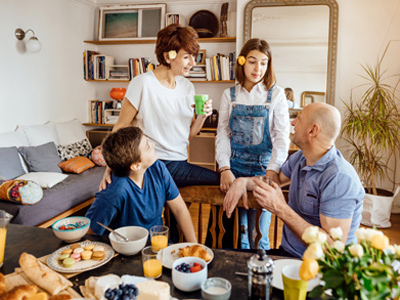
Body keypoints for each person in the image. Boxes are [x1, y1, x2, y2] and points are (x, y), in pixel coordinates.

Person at [223, 103, 365, 257]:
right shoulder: (300, 158)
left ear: (312, 130)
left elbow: (332, 249)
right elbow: (273, 182)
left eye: (299, 118)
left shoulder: (339, 178)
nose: (293, 122)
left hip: (320, 268)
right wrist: (243, 182)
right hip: (288, 254)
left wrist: (281, 209)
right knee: (224, 258)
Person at [100, 24, 219, 190]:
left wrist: (202, 117)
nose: (193, 62)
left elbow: (188, 136)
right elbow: (120, 127)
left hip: (179, 163)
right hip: (152, 164)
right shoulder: (143, 83)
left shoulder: (187, 87)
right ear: (168, 56)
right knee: (221, 181)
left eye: (194, 56)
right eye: (187, 57)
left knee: (224, 184)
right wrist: (110, 168)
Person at [216, 38, 290, 249]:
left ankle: (261, 274)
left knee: (260, 233)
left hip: (263, 171)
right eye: (252, 61)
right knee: (241, 235)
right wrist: (224, 168)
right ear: (242, 62)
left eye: (264, 62)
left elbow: (282, 137)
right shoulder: (228, 95)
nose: (258, 68)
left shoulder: (276, 94)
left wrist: (273, 171)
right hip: (234, 170)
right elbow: (222, 133)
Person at [86, 127, 197, 243]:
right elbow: (89, 230)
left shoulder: (158, 169)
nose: (153, 145)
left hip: (157, 246)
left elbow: (180, 210)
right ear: (136, 166)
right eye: (147, 147)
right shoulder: (116, 191)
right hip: (127, 254)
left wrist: (194, 245)